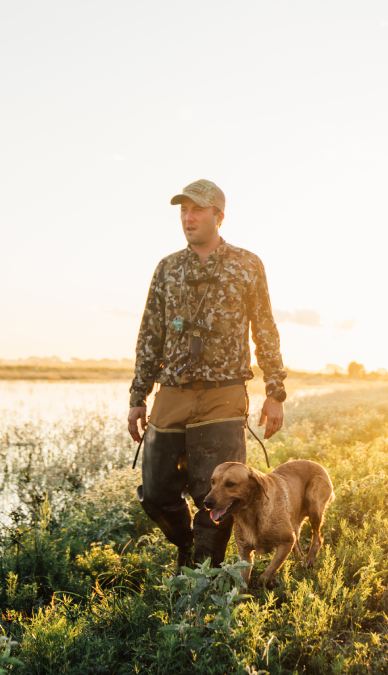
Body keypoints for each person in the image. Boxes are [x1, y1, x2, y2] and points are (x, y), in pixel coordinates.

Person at [127, 179, 288, 570]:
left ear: (218, 216)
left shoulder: (247, 264)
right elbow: (151, 333)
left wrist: (275, 390)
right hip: (173, 392)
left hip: (224, 394)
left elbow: (264, 327)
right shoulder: (167, 268)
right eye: (183, 210)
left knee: (216, 494)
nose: (188, 217)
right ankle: (187, 545)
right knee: (155, 493)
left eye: (197, 210)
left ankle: (202, 577)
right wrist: (138, 396)